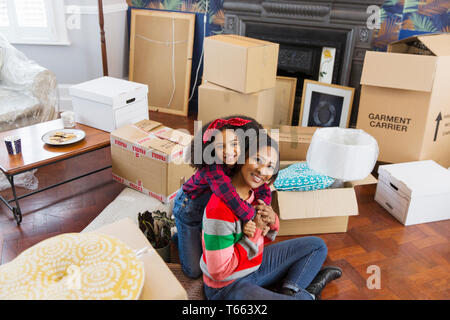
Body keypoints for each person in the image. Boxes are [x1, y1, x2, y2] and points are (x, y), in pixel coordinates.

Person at [201, 133, 342, 300]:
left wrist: (272, 220)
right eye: (258, 159)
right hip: (227, 287)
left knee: (317, 246)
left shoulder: (253, 193)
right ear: (242, 157)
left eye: (270, 166)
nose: (262, 170)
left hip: (253, 266)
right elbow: (219, 272)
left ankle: (289, 290)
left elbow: (264, 240)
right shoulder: (220, 209)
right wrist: (256, 232)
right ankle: (310, 292)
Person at [172, 115, 272, 279]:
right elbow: (230, 197)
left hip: (208, 210)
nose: (228, 151)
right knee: (194, 271)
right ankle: (179, 238)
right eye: (220, 146)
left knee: (211, 247)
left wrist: (263, 209)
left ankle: (188, 238)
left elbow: (262, 187)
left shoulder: (240, 161)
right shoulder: (213, 169)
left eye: (234, 144)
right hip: (187, 210)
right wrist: (253, 216)